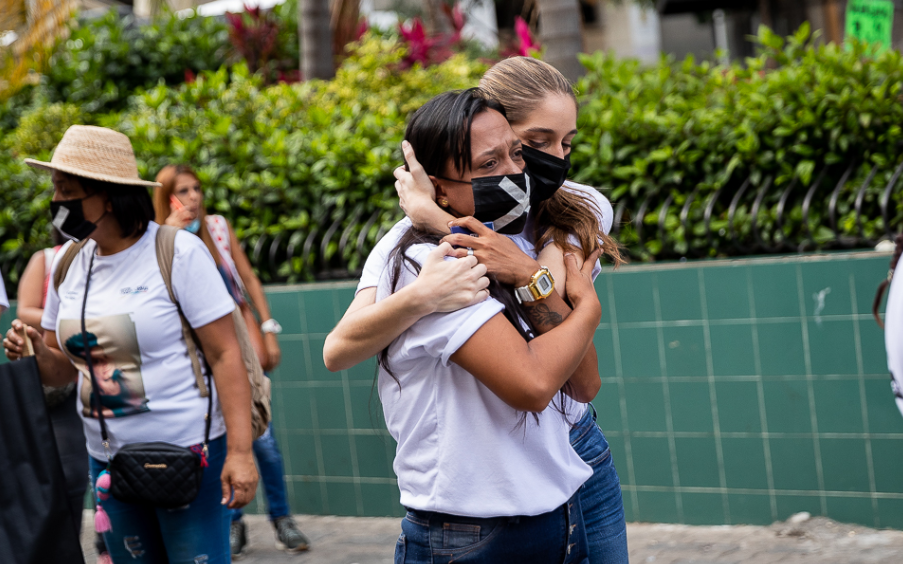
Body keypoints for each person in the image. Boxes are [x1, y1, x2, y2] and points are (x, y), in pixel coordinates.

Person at [324, 57, 628, 563]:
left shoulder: (574, 210)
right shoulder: (422, 257)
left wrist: (528, 272)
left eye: (566, 143)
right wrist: (436, 239)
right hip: (478, 507)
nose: (547, 160)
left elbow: (583, 383)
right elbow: (339, 347)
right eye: (536, 142)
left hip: (571, 456)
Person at [3, 125, 258, 564]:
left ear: (108, 195)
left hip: (188, 457)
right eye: (55, 189)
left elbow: (224, 354)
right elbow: (62, 370)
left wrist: (240, 452)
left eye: (69, 190)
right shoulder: (66, 263)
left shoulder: (176, 252)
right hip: (109, 464)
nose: (57, 202)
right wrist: (35, 352)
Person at [153, 164, 309, 557]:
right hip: (194, 364)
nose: (193, 198)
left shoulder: (217, 228)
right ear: (165, 198)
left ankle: (281, 519)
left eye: (197, 189)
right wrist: (171, 232)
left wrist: (268, 326)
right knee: (217, 444)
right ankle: (234, 524)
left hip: (236, 348)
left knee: (264, 441)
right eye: (183, 191)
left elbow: (247, 278)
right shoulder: (156, 240)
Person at [15, 232, 90, 540]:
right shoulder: (47, 259)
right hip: (55, 387)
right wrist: (68, 322)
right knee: (60, 474)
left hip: (94, 387)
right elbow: (24, 310)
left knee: (80, 477)